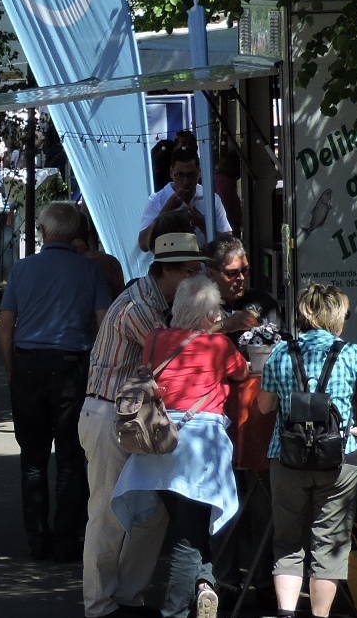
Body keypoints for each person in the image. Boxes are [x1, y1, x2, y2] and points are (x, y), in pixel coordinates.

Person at [80, 232, 209, 618]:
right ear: (167, 273)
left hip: (132, 417)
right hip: (110, 416)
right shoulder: (138, 307)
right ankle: (99, 604)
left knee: (152, 513)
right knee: (107, 515)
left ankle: (127, 596)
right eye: (190, 271)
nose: (196, 277)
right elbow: (173, 353)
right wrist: (219, 329)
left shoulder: (156, 301)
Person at [110, 276, 248, 618]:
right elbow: (242, 373)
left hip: (159, 441)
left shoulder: (155, 339)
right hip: (199, 448)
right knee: (188, 536)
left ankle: (204, 583)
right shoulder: (218, 346)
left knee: (188, 525)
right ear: (209, 315)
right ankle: (175, 610)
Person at [257, 285, 357, 618]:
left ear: (305, 313)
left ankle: (287, 613)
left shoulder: (280, 352)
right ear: (337, 316)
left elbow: (264, 407)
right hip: (339, 459)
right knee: (329, 546)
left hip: (286, 457)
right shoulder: (349, 353)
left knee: (288, 542)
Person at [0, 201, 111, 561]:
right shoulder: (88, 271)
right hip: (71, 366)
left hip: (29, 363)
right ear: (74, 233)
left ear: (44, 232)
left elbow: (5, 324)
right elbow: (104, 321)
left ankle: (36, 536)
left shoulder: (22, 269)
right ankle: (65, 536)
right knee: (69, 456)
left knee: (32, 457)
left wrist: (11, 366)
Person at [136, 148, 235, 252]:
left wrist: (203, 224)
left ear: (199, 173)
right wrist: (166, 211)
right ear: (171, 172)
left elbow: (228, 244)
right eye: (180, 175)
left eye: (191, 175)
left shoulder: (211, 199)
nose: (185, 181)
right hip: (171, 265)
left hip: (204, 264)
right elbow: (143, 244)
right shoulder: (157, 200)